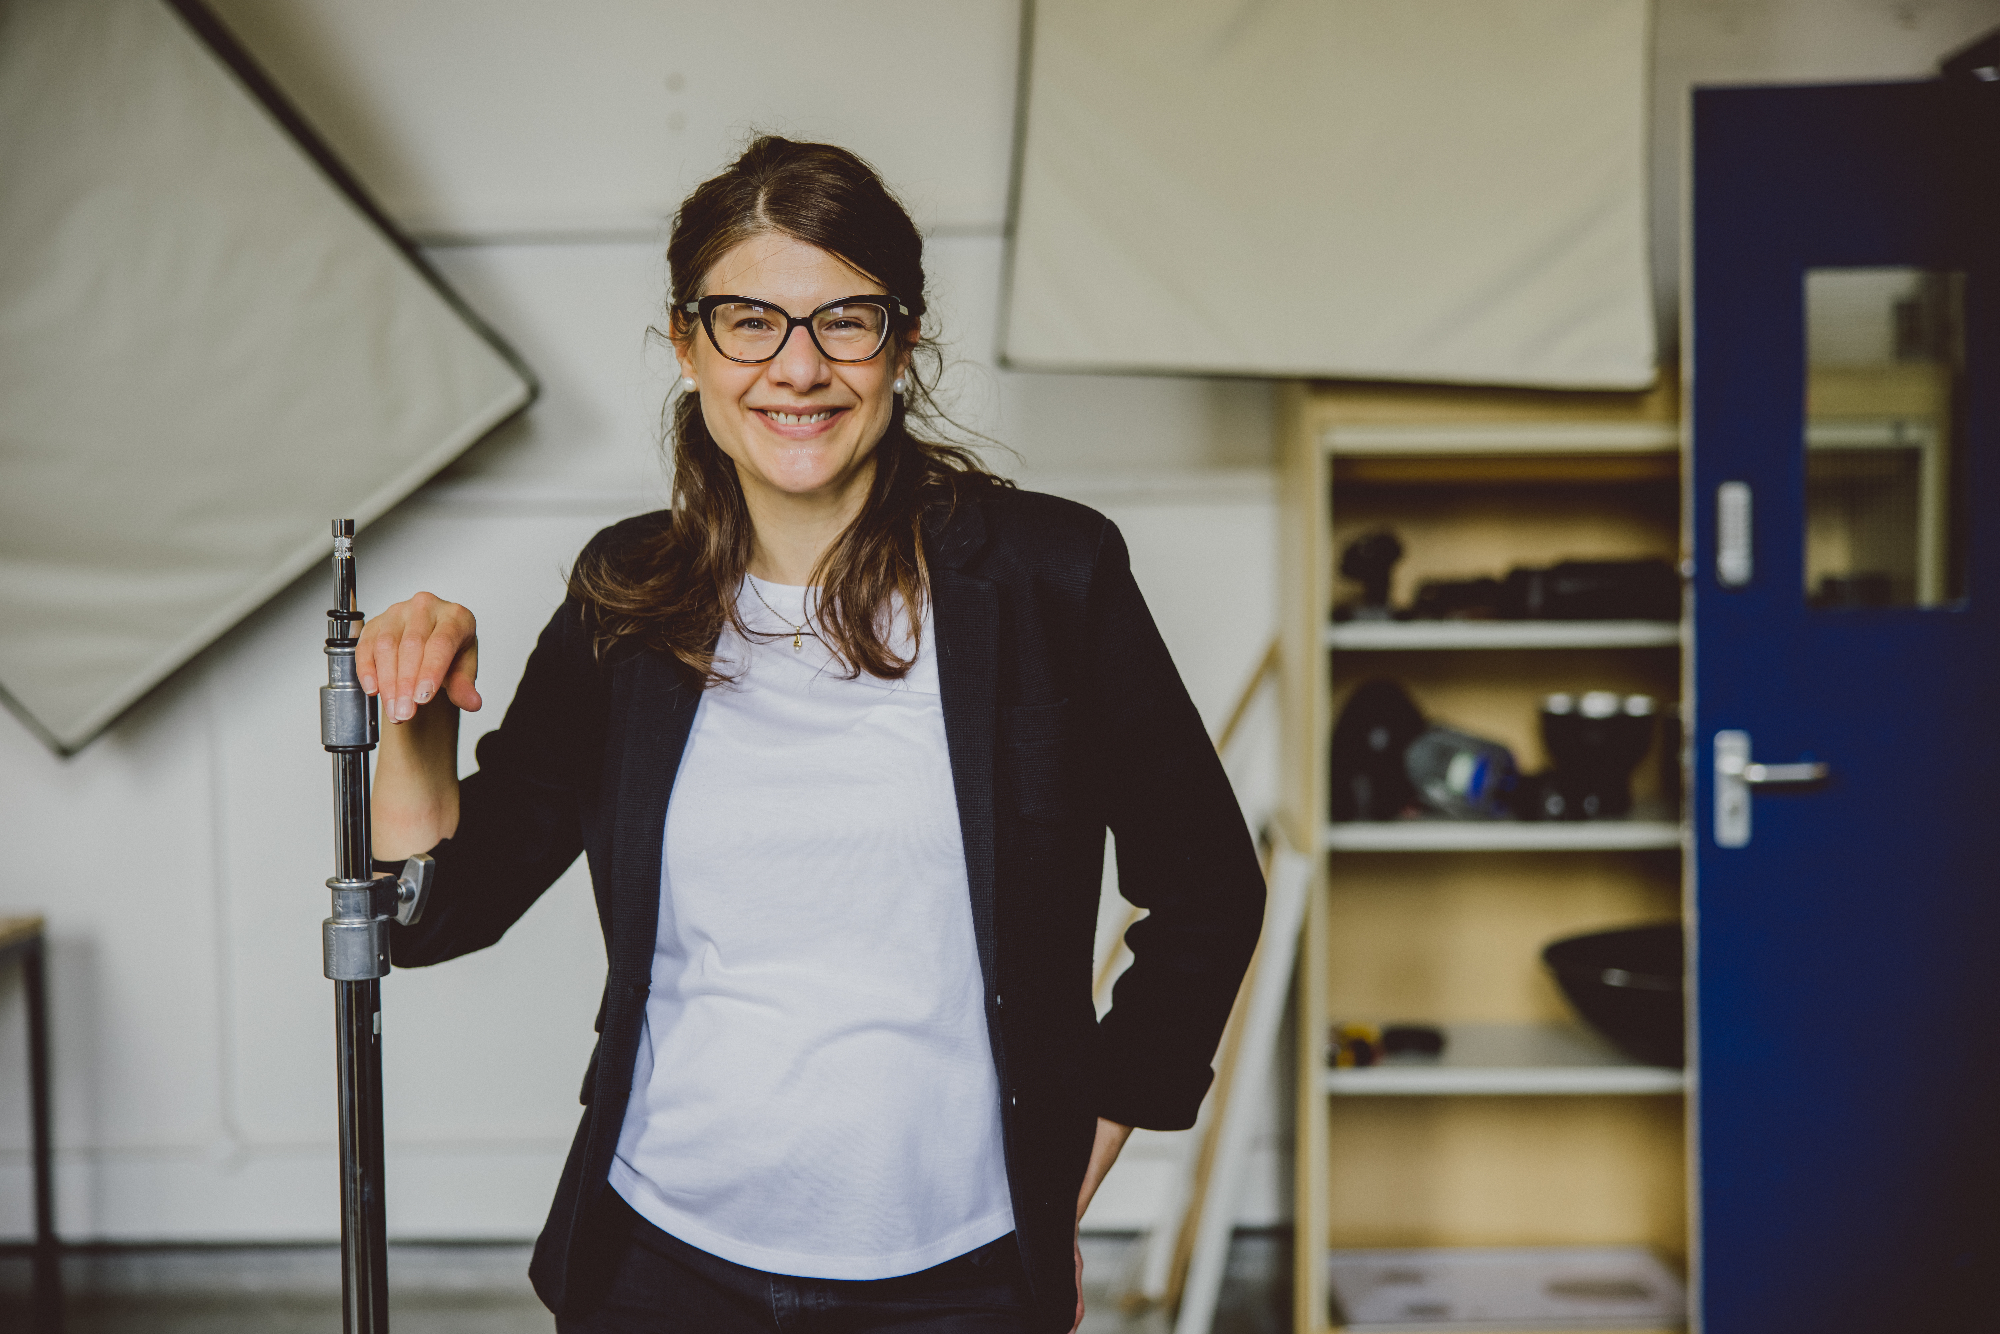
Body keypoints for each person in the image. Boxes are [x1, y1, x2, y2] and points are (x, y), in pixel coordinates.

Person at [358, 136, 1264, 1334]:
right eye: (748, 320)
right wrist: (412, 723)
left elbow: (1206, 886)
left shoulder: (1049, 575)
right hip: (655, 1260)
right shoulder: (624, 596)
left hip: (961, 1273)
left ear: (903, 341)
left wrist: (1081, 1137)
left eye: (846, 319)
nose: (798, 366)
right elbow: (437, 914)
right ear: (686, 344)